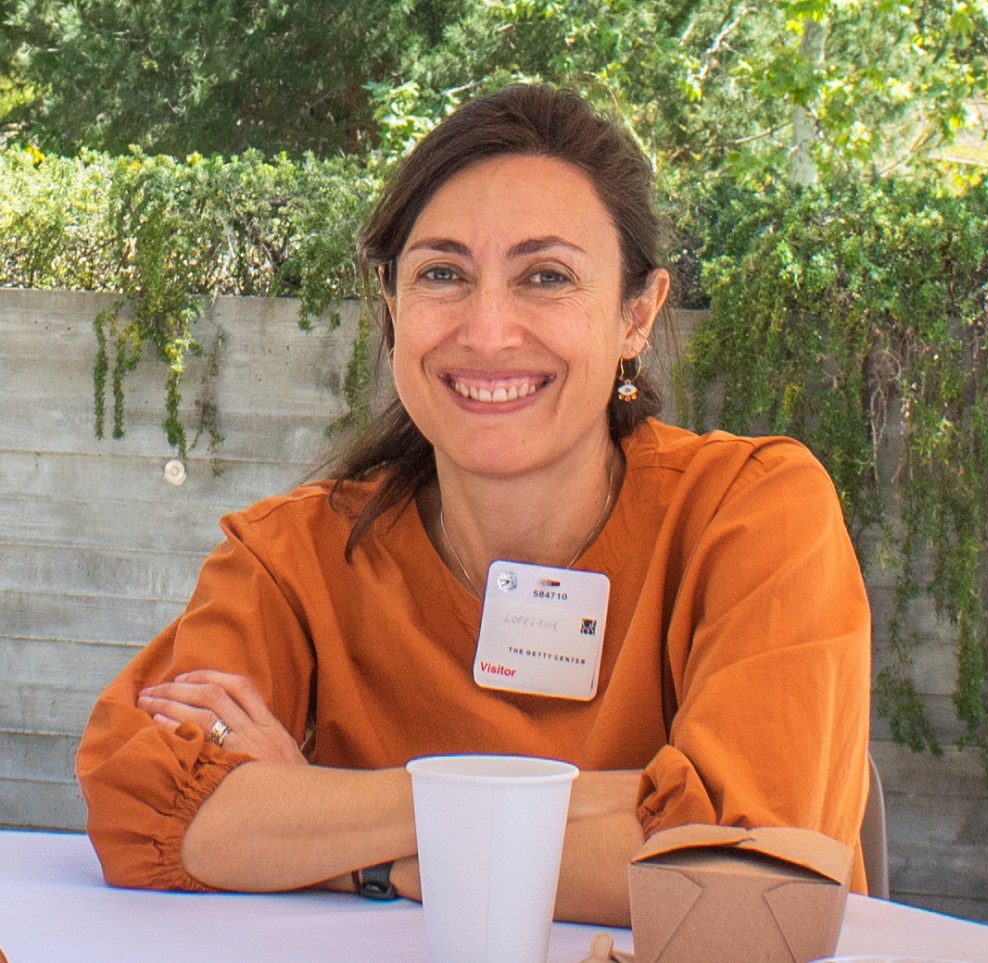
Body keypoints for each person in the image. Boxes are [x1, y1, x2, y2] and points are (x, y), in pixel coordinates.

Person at [76, 84, 871, 926]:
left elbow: (750, 874)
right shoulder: (294, 555)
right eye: (443, 274)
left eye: (547, 276)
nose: (488, 330)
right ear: (392, 308)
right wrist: (596, 812)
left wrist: (347, 835)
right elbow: (146, 808)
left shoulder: (752, 514)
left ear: (636, 315)